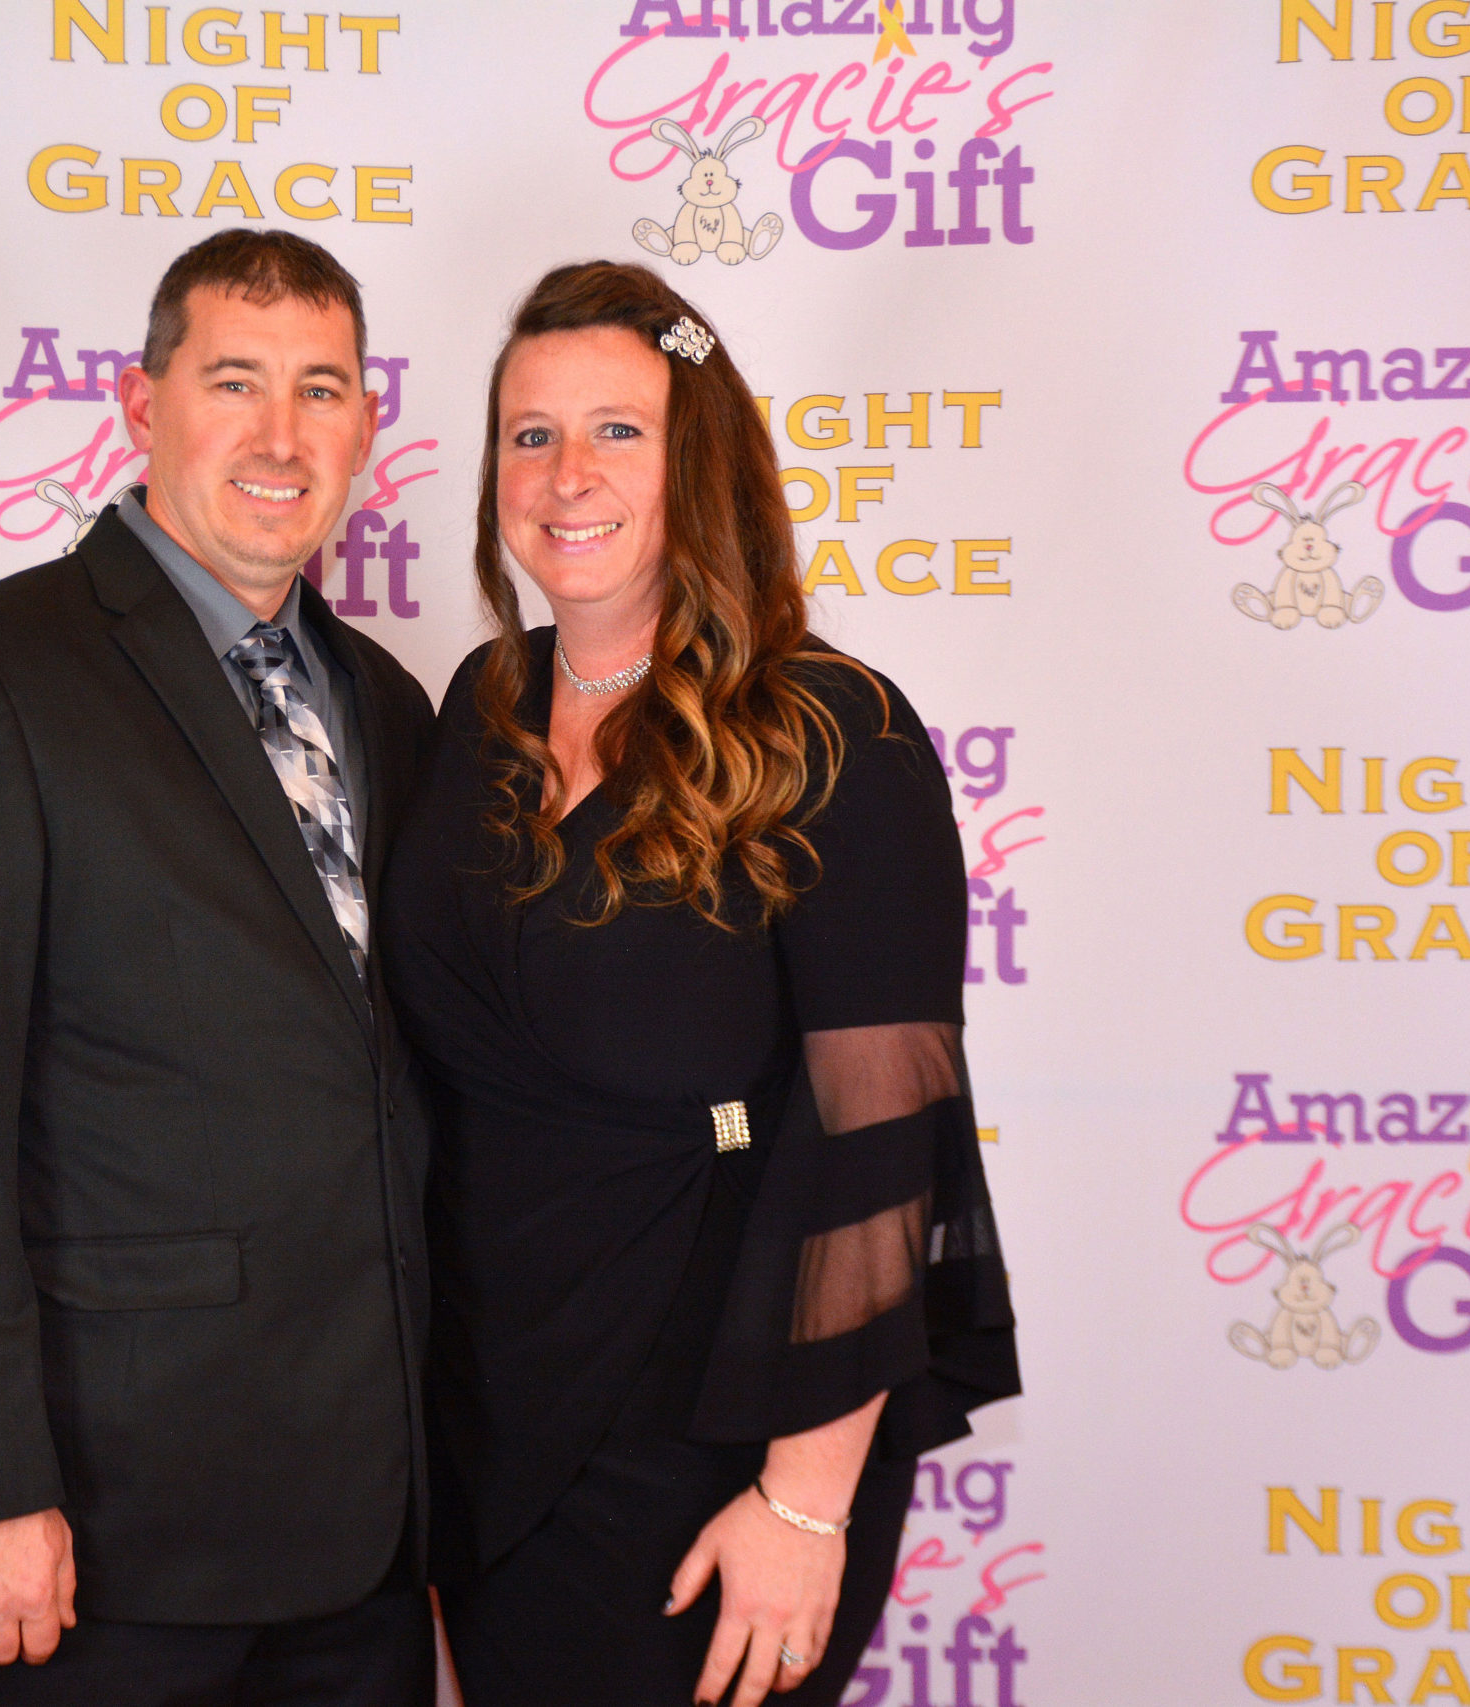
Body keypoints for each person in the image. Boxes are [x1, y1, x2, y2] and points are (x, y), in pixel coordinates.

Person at [380, 261, 1020, 1707]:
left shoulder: (832, 733)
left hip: (719, 1436)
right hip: (485, 1414)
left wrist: (806, 1502)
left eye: (619, 429)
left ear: (704, 459)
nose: (567, 474)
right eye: (531, 434)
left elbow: (883, 1133)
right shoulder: (475, 715)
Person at [0, 229, 439, 1707]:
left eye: (321, 389)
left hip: (367, 1537)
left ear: (365, 424)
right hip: (97, 1542)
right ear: (138, 403)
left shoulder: (393, 704)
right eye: (234, 382)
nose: (281, 436)